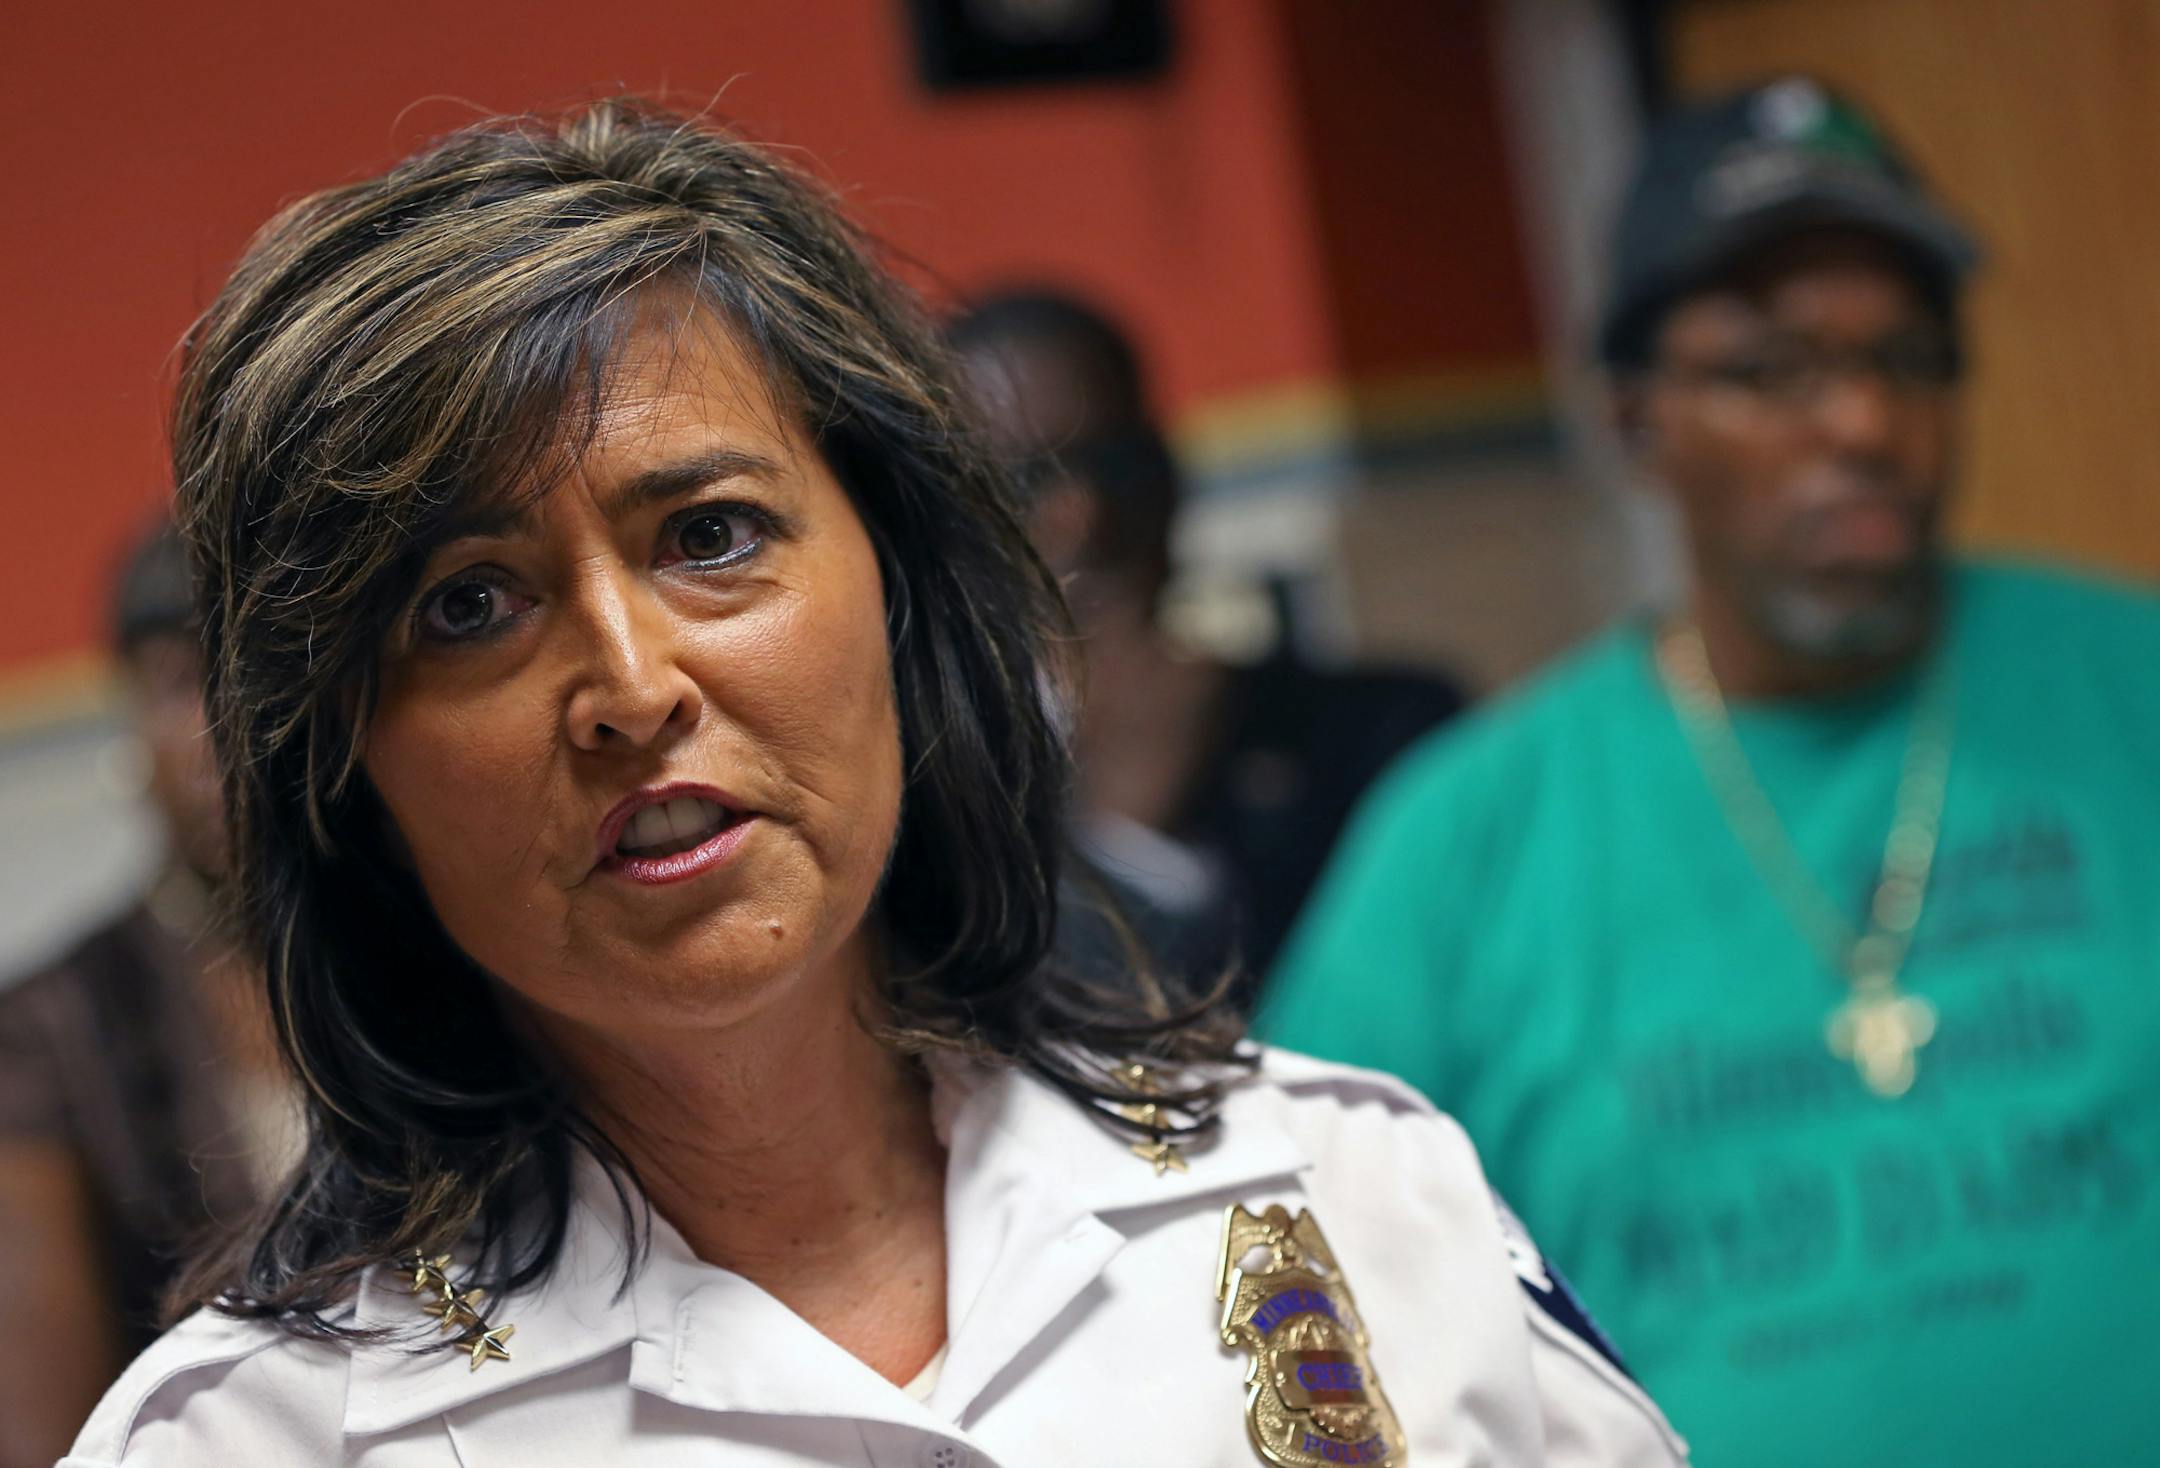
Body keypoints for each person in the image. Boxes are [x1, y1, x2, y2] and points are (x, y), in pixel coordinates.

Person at [63, 101, 1685, 1467]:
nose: (632, 686)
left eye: (709, 534)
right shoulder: (255, 1437)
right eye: (468, 604)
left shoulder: (1351, 1189)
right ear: (350, 766)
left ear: (899, 593)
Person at [1258, 77, 2160, 1468]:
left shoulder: (2129, 682)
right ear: (1634, 419)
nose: (1861, 422)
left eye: (1908, 358)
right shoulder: (1469, 834)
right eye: (1772, 370)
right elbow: (1294, 1271)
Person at [949, 292, 1465, 984]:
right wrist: (1126, 839)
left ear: (1172, 473)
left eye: (1117, 463)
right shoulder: (919, 798)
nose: (1087, 517)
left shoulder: (1387, 736)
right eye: (1027, 481)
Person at [0, 523, 291, 1468]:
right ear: (131, 717)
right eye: (181, 684)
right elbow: (41, 1430)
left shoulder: (435, 948)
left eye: (260, 681)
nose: (225, 733)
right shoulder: (51, 1025)